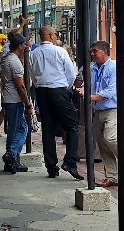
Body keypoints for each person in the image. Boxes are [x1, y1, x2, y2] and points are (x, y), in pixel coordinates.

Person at [28, 26, 83, 180]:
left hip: (42, 92)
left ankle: (51, 167)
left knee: (48, 129)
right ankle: (70, 161)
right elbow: (71, 74)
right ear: (51, 35)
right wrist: (66, 88)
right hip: (58, 90)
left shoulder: (34, 53)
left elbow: (32, 73)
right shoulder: (60, 51)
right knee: (72, 126)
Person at [87, 40, 119, 187]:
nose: (92, 54)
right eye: (91, 51)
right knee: (102, 144)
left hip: (112, 109)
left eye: (95, 51)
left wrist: (90, 96)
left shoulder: (113, 68)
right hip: (97, 110)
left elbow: (111, 92)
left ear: (105, 51)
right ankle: (112, 177)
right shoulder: (92, 68)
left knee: (110, 138)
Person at [0, 33, 33, 174]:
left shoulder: (4, 57)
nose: (26, 46)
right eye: (24, 44)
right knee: (23, 128)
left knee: (13, 130)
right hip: (15, 100)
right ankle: (12, 153)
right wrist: (28, 104)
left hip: (7, 98)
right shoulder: (14, 62)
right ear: (20, 46)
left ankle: (12, 161)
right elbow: (20, 86)